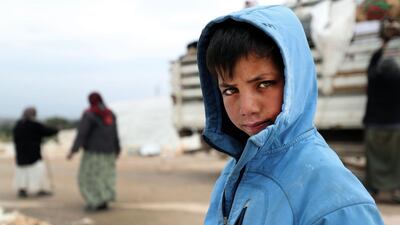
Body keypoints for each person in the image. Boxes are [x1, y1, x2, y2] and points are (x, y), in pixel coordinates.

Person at [197, 5, 385, 225]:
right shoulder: (234, 173)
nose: (247, 108)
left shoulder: (334, 196)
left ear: (295, 79)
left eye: (264, 84)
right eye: (230, 90)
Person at [363, 18, 400, 203]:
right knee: (394, 160)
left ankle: (374, 191)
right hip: (393, 122)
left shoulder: (376, 65)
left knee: (375, 159)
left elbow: (372, 69)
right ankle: (393, 190)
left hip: (376, 121)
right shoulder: (394, 73)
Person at [67, 92, 121, 212]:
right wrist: (117, 149)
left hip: (93, 153)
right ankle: (104, 200)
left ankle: (95, 201)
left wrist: (73, 150)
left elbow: (82, 134)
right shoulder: (110, 114)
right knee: (105, 177)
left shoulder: (89, 114)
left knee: (89, 177)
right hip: (109, 152)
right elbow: (115, 134)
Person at [12, 107, 58, 198]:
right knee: (37, 171)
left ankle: (22, 189)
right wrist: (57, 129)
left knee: (22, 172)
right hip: (33, 154)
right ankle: (37, 189)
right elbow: (47, 131)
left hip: (20, 153)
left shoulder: (18, 125)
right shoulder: (35, 125)